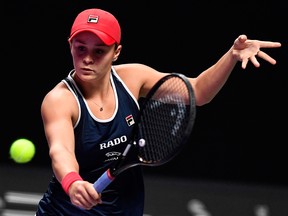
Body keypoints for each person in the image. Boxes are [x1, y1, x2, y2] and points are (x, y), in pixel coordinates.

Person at [35, 8, 281, 216]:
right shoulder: (60, 100)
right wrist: (73, 182)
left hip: (125, 209)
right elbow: (61, 151)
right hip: (66, 211)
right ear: (70, 45)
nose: (87, 58)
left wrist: (231, 56)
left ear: (116, 52)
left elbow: (197, 92)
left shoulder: (133, 78)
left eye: (99, 51)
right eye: (80, 48)